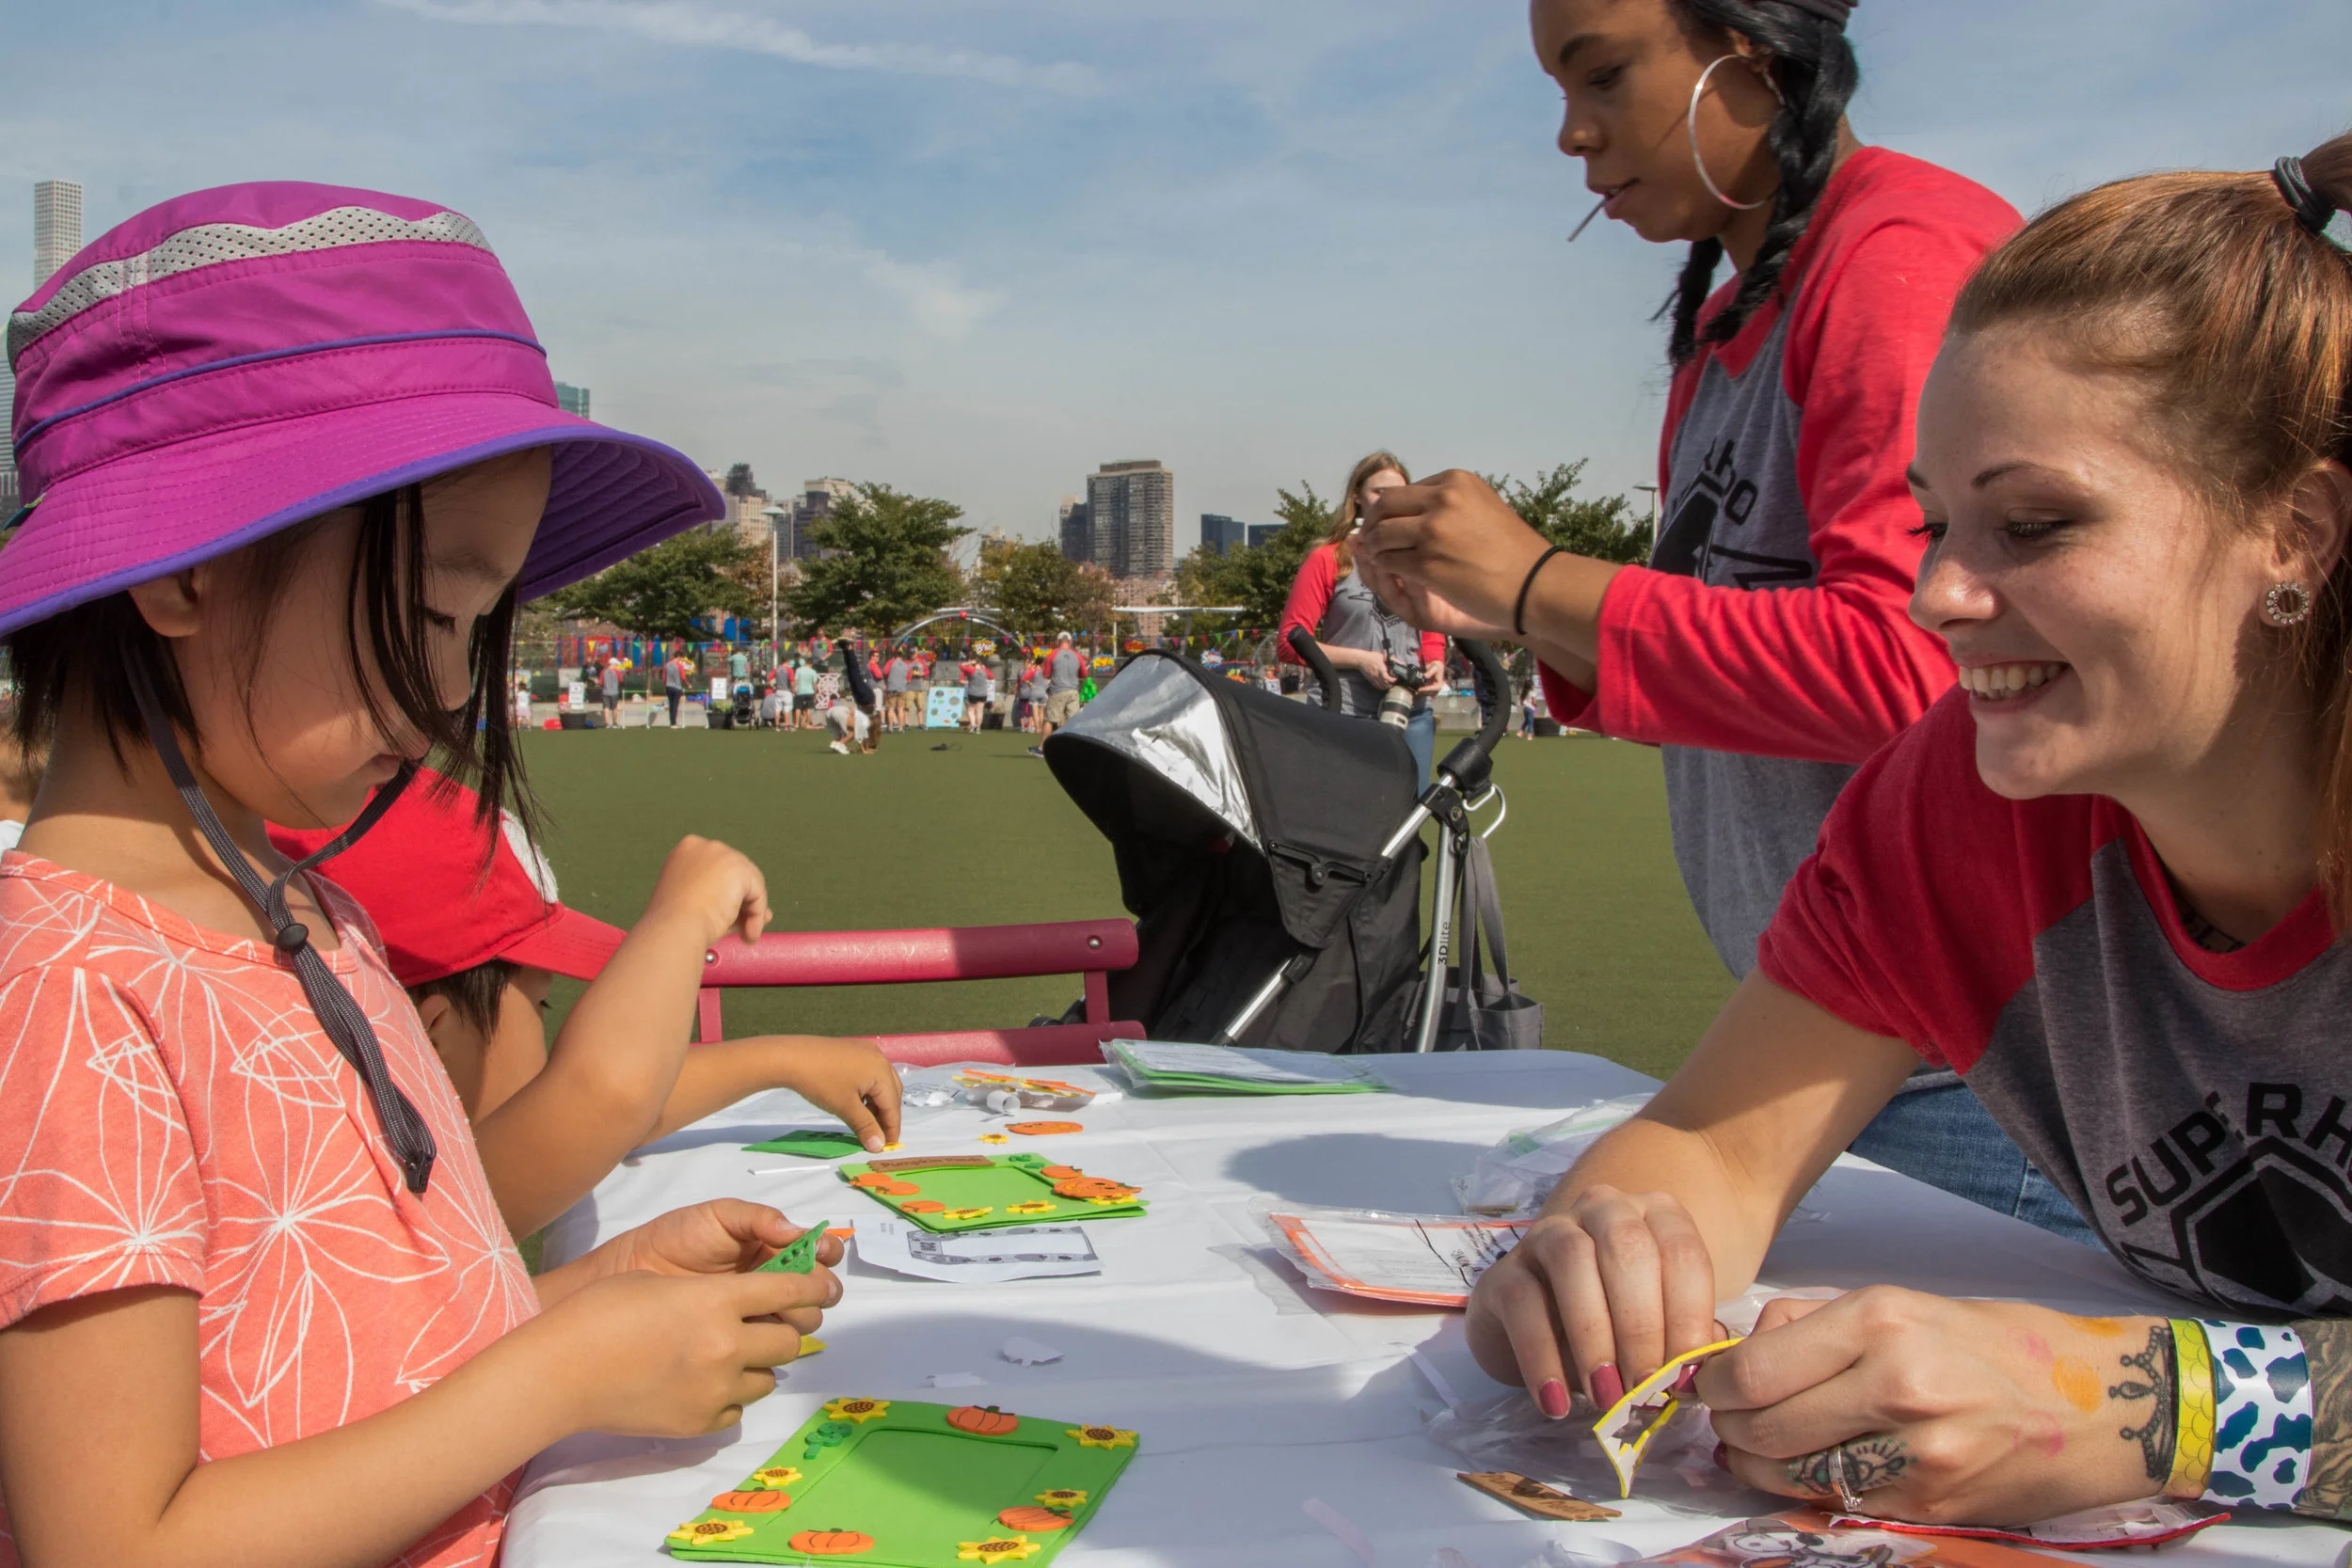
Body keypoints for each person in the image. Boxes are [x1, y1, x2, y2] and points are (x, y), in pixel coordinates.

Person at [1466, 136, 2352, 1527]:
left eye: (2033, 524)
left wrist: (2154, 1408)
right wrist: (1607, 1245)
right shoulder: (1959, 801)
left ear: (2294, 531)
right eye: (1935, 522)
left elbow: (2138, 1407)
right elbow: (1710, 1143)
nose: (1938, 594)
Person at [0, 182, 838, 1568]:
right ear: (186, 572)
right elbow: (119, 1540)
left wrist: (584, 1300)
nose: (452, 687)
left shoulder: (306, 904)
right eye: (433, 609)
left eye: (476, 623)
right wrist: (555, 1374)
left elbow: (342, 1350)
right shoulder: (65, 992)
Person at [1354, 0, 2066, 1234]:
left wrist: (1539, 579)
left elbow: (1920, 670)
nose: (1573, 135)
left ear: (1752, 54)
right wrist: (1513, 610)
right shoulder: (1736, 312)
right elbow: (1730, 646)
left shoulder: (1894, 257)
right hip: (1846, 1038)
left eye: (1602, 75)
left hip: (1975, 1069)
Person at [274, 770, 903, 1236]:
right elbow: (597, 1100)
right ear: (432, 1029)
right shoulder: (387, 1204)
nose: (553, 1041)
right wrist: (683, 916)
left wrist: (785, 1059)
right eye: (540, 1008)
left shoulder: (303, 1149)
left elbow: (603, 1114)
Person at [1279, 451, 1450, 784]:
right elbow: (1289, 642)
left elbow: (1430, 627)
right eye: (1378, 492)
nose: (1388, 501)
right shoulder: (1328, 559)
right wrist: (1361, 660)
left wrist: (1435, 661)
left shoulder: (1417, 561)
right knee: (1344, 807)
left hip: (1410, 711)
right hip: (1342, 711)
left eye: (1398, 494)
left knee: (1411, 809)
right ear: (1357, 497)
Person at [1033, 631, 1088, 757]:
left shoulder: (1052, 655)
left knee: (1049, 720)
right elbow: (1084, 674)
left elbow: (1046, 674)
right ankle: (1076, 750)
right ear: (1070, 642)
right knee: (1073, 721)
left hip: (1057, 691)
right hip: (1073, 692)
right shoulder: (1078, 656)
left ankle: (1042, 749)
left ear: (1058, 641)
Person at [884, 648, 913, 731]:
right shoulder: (906, 665)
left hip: (892, 688)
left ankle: (890, 728)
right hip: (902, 689)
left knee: (891, 708)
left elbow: (885, 672)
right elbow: (909, 679)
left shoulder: (890, 662)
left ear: (894, 656)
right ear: (901, 656)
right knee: (900, 709)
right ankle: (900, 728)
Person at [961, 654, 991, 733]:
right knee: (979, 711)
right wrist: (984, 668)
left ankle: (974, 725)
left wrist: (969, 663)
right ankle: (978, 728)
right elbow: (991, 676)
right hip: (982, 693)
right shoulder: (983, 670)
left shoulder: (971, 670)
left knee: (971, 709)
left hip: (973, 692)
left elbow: (961, 665)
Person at [661, 650, 688, 728]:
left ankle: (672, 722)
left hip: (668, 687)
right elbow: (683, 677)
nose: (680, 660)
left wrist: (665, 686)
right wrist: (688, 684)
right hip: (677, 687)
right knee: (675, 705)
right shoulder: (679, 665)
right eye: (680, 658)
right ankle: (674, 723)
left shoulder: (667, 665)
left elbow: (664, 678)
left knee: (671, 704)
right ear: (679, 657)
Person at [793, 655, 819, 730]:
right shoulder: (813, 672)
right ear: (811, 664)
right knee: (809, 708)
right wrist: (815, 692)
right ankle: (808, 724)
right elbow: (814, 684)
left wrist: (794, 689)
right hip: (810, 692)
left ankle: (796, 724)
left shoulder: (799, 670)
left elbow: (796, 681)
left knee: (798, 708)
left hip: (800, 691)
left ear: (805, 663)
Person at [599, 655, 623, 729]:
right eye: (616, 664)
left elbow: (600, 683)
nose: (616, 666)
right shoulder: (617, 671)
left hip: (605, 692)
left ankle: (606, 723)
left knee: (606, 707)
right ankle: (614, 723)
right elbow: (621, 680)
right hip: (614, 692)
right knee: (614, 708)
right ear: (613, 664)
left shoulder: (603, 671)